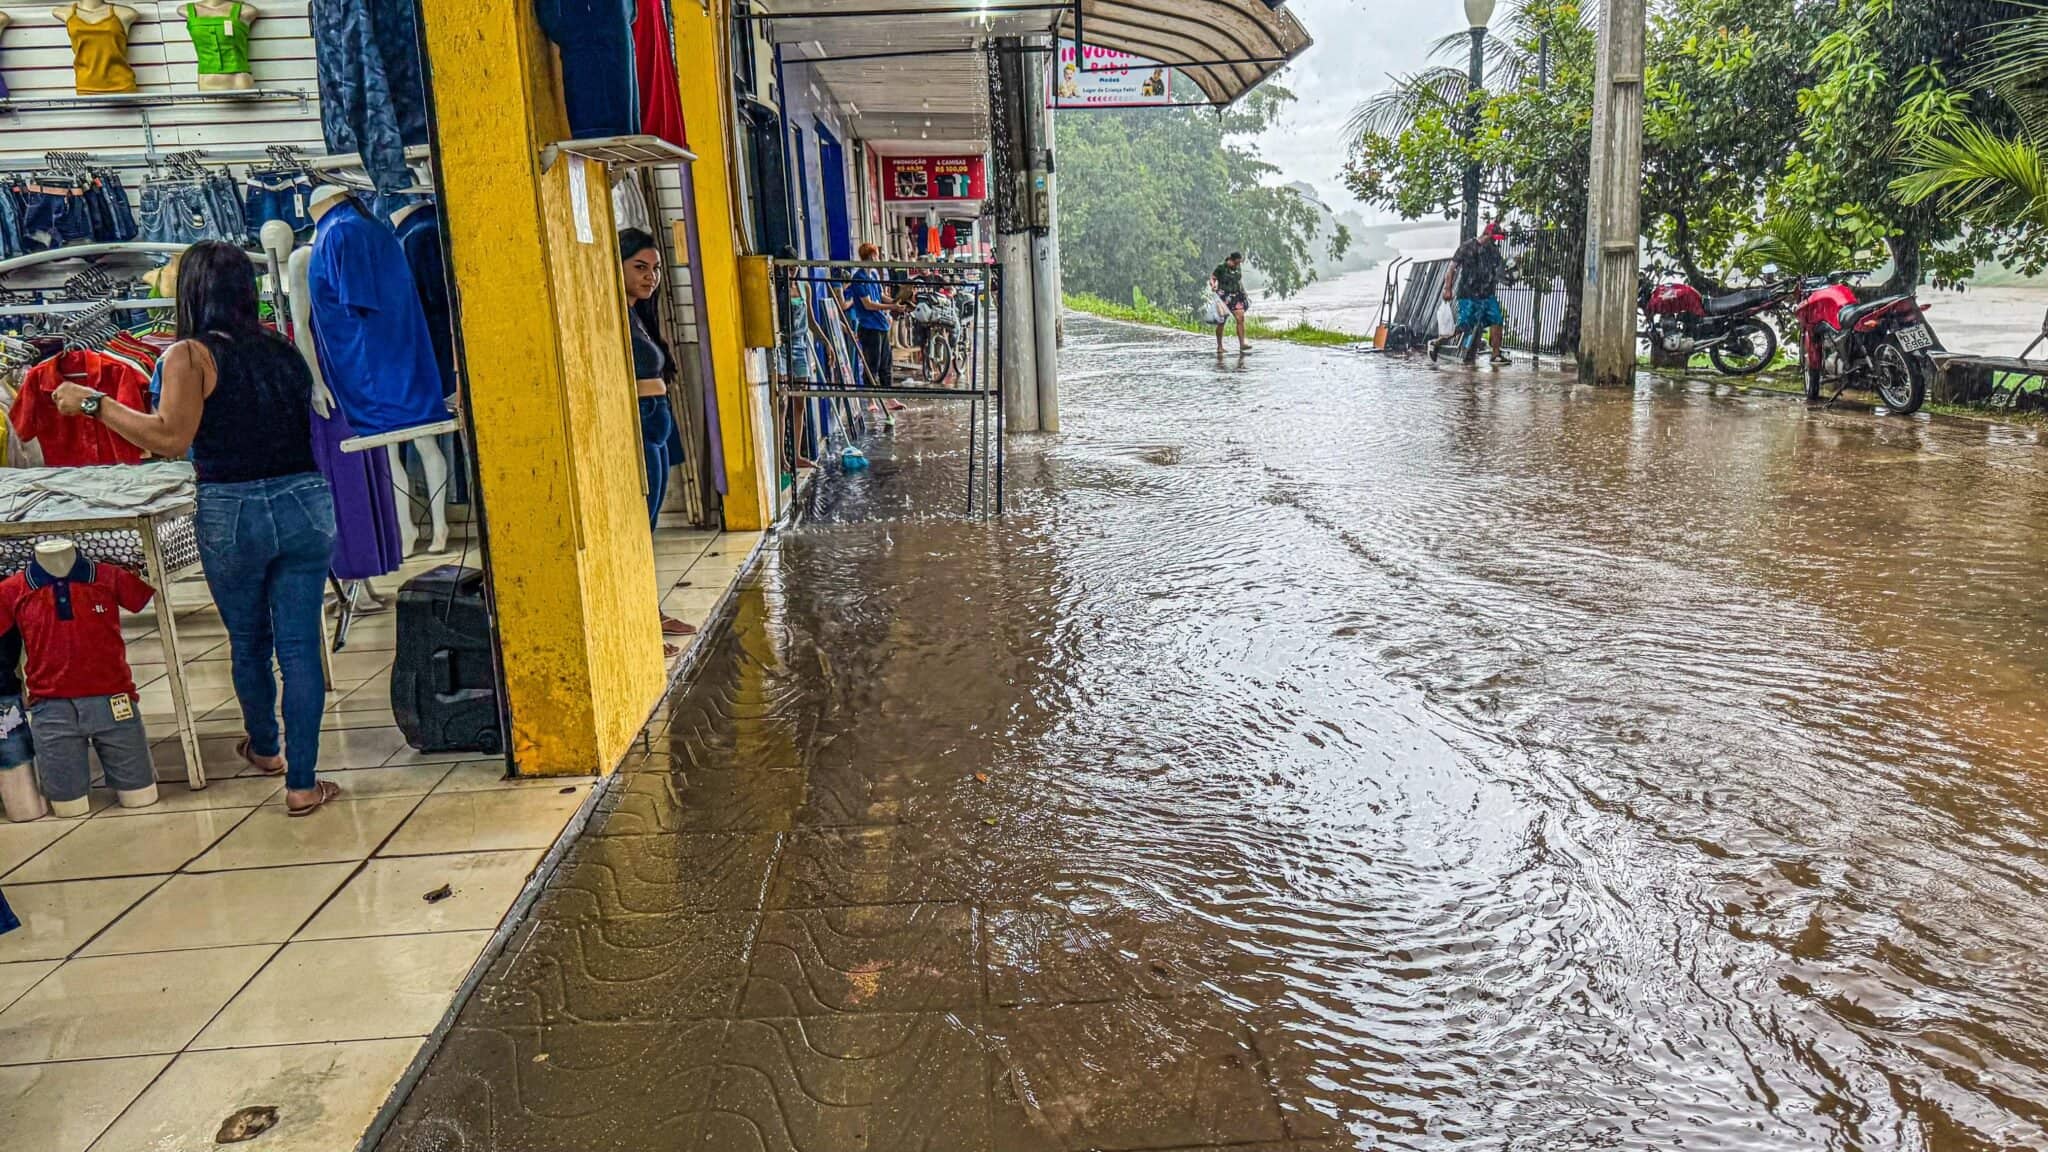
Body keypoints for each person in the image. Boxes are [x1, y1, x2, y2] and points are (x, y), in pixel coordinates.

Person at [50, 241, 343, 815]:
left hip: (233, 508)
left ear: (191, 291)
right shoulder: (282, 349)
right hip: (306, 501)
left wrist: (94, 405)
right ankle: (304, 783)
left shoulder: (188, 355)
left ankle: (266, 750)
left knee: (250, 642)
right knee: (301, 647)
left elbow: (170, 438)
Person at [618, 228, 696, 646]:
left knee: (649, 530)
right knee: (637, 530)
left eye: (656, 269)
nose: (650, 277)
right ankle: (639, 624)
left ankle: (650, 613)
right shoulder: (612, 314)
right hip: (640, 423)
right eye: (640, 267)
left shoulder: (638, 316)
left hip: (657, 421)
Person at [1433, 221, 1511, 366]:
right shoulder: (1467, 247)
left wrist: (1509, 275)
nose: (1495, 241)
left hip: (1487, 294)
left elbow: (1500, 272)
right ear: (1487, 234)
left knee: (1497, 320)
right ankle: (1438, 342)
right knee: (1464, 325)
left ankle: (1496, 355)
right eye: (1494, 238)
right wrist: (1447, 288)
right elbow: (1451, 268)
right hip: (1468, 294)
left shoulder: (1494, 252)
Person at [844, 242, 905, 394]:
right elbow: (868, 304)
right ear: (871, 256)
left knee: (886, 363)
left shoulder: (874, 275)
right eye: (877, 255)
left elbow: (881, 295)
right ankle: (871, 397)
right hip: (869, 327)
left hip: (882, 324)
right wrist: (892, 307)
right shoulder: (859, 278)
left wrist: (896, 301)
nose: (879, 258)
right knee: (872, 364)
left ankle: (889, 396)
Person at [1211, 252, 1250, 354]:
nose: (1238, 265)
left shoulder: (1237, 267)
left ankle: (1242, 344)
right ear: (1231, 260)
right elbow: (1213, 277)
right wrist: (1213, 285)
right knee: (1221, 322)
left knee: (1240, 318)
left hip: (1236, 296)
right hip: (1223, 297)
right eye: (1236, 263)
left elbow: (1239, 280)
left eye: (1239, 263)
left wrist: (1244, 291)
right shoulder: (1221, 267)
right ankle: (1219, 347)